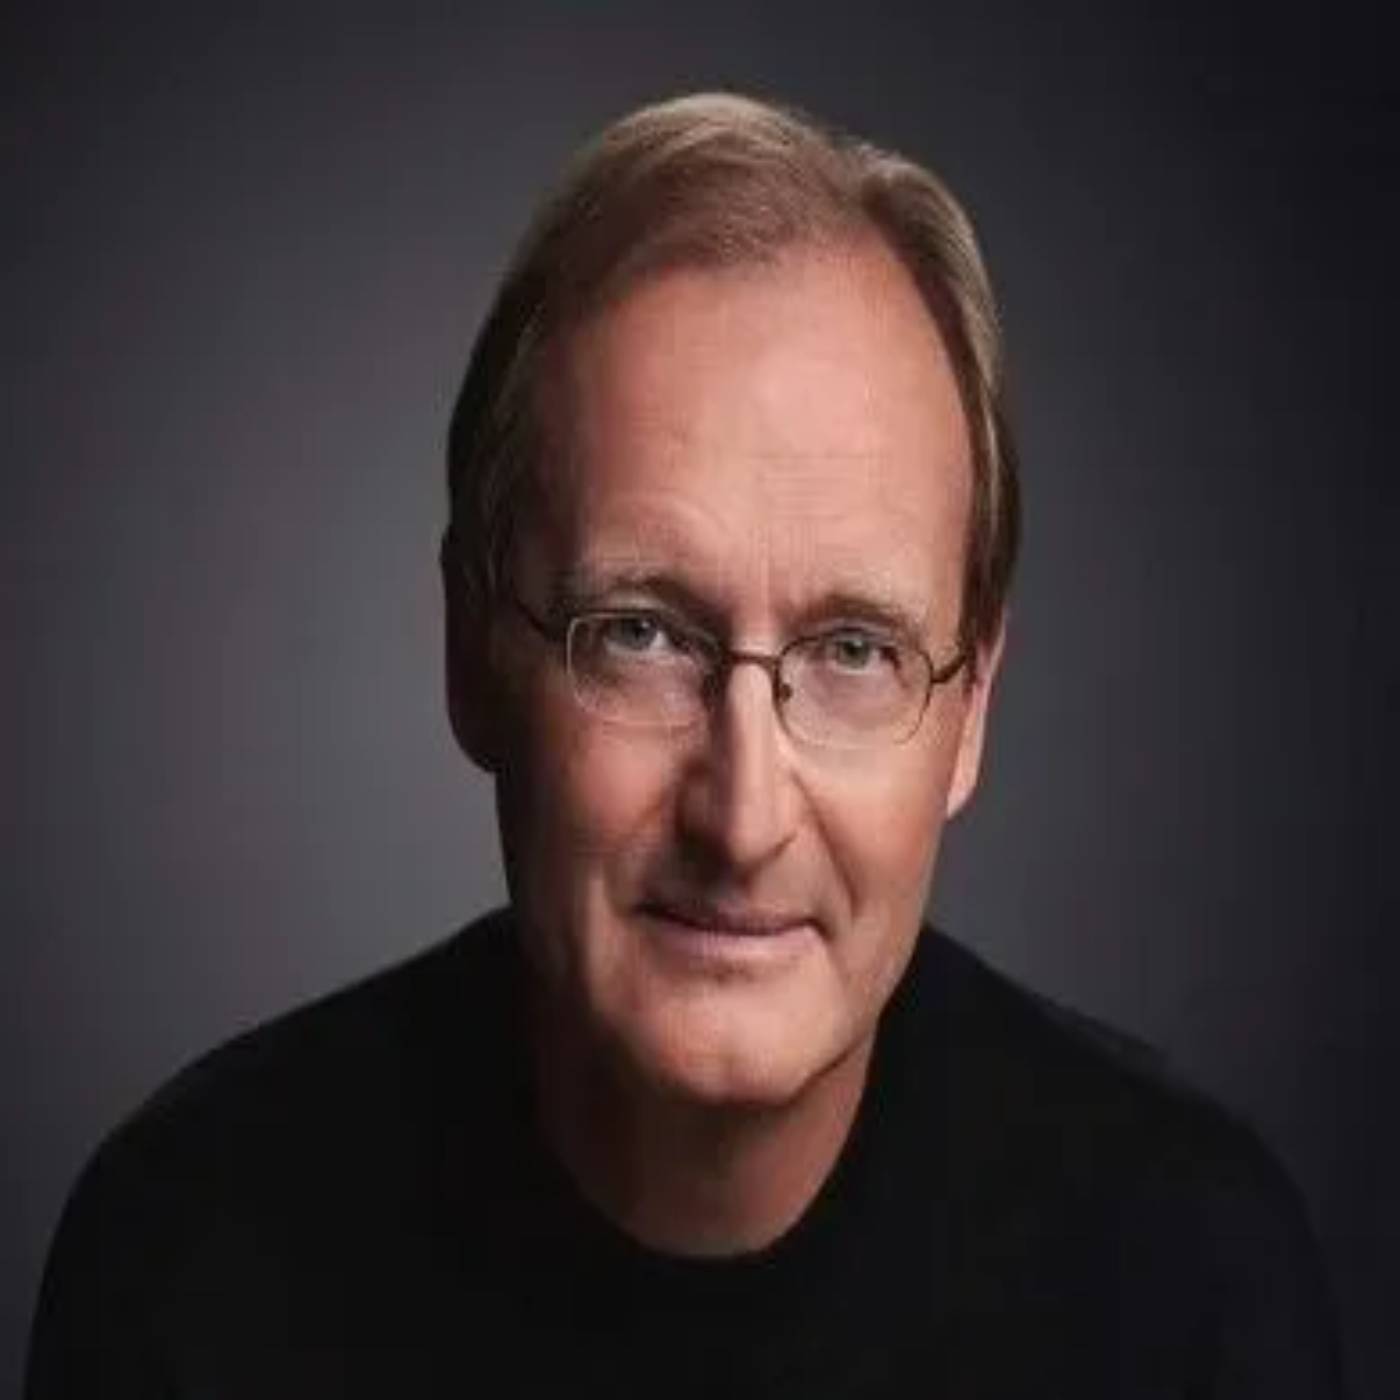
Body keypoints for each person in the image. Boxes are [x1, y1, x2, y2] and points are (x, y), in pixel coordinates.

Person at [27, 92, 1346, 1398]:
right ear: (473, 653)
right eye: (642, 634)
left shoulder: (1195, 1288)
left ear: (971, 711)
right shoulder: (187, 1265)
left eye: (854, 652)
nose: (744, 818)